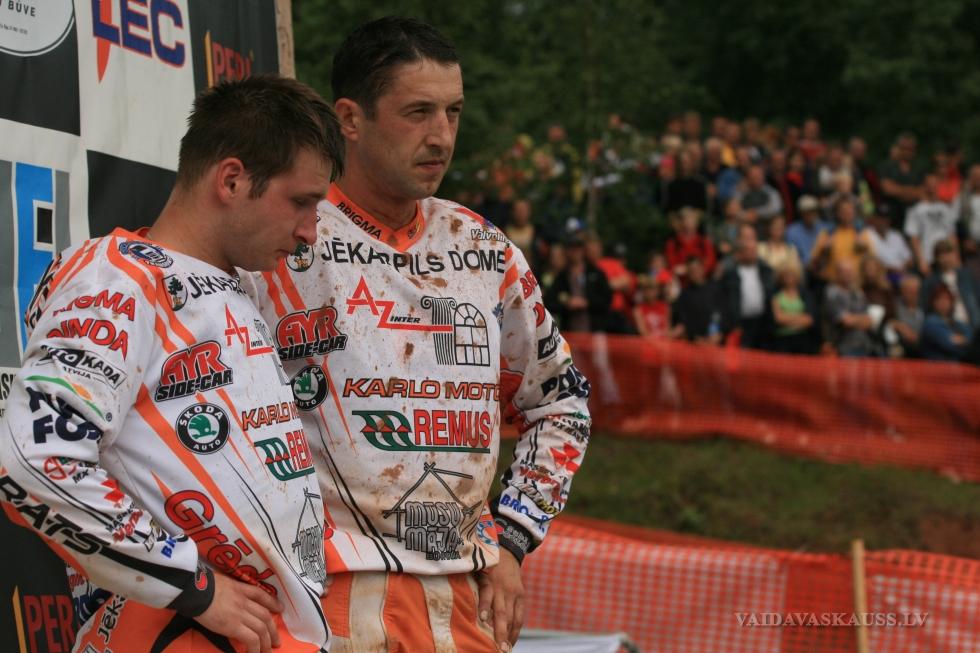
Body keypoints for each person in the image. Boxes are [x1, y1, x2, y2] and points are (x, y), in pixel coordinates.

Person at [244, 18, 591, 653]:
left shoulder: (483, 248)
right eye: (418, 113)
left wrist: (514, 538)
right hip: (322, 588)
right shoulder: (283, 239)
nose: (442, 136)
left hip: (465, 595)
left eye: (453, 112)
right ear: (350, 119)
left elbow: (561, 402)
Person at [0, 76, 344, 652]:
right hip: (171, 632)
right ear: (231, 180)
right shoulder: (119, 278)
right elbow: (32, 458)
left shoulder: (238, 287)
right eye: (301, 202)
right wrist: (192, 585)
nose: (310, 231)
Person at [719, 224, 775, 349]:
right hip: (740, 324)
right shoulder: (729, 271)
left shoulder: (765, 269)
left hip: (761, 323)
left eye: (753, 249)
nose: (752, 252)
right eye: (747, 249)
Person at [920, 239, 980, 331]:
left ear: (955, 255)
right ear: (936, 258)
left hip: (975, 325)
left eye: (949, 254)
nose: (946, 259)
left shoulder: (967, 275)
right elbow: (927, 310)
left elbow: (977, 296)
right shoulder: (930, 283)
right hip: (949, 329)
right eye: (942, 255)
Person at [905, 173, 958, 276]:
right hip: (929, 258)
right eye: (930, 185)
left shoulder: (945, 209)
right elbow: (914, 238)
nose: (933, 188)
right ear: (924, 187)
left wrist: (956, 257)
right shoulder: (915, 210)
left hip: (947, 257)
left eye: (935, 185)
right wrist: (921, 260)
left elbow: (952, 235)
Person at [823, 260, 875, 357]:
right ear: (837, 273)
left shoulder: (858, 293)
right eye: (845, 272)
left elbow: (869, 321)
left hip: (865, 345)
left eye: (851, 272)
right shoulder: (832, 293)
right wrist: (860, 320)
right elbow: (846, 321)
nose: (848, 275)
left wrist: (854, 319)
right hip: (842, 348)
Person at [879, 132, 923, 228]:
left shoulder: (919, 169)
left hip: (913, 219)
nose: (907, 152)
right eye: (904, 148)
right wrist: (911, 192)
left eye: (910, 149)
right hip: (891, 218)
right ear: (899, 148)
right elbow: (887, 189)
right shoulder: (887, 166)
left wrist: (898, 191)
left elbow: (922, 192)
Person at [672, 257, 720, 343]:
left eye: (696, 269)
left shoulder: (715, 289)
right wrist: (694, 337)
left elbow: (721, 312)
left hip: (717, 340)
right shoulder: (684, 295)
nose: (694, 273)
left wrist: (719, 332)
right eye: (691, 270)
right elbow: (683, 320)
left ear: (703, 269)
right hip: (694, 342)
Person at [770, 262, 815, 354]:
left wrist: (787, 317)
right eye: (786, 275)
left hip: (802, 340)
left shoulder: (805, 294)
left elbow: (809, 319)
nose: (789, 278)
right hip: (782, 340)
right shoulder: (775, 295)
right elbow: (778, 318)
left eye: (791, 275)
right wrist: (799, 317)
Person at [920, 284, 971, 362]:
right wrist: (964, 341)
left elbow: (972, 339)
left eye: (947, 298)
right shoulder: (930, 323)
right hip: (937, 366)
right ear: (933, 302)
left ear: (952, 302)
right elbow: (950, 345)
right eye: (939, 298)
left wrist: (961, 340)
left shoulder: (957, 323)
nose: (943, 302)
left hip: (958, 364)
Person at [866, 204, 913, 281]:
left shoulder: (896, 235)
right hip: (882, 274)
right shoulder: (867, 235)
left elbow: (909, 260)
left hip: (902, 273)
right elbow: (870, 262)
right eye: (880, 218)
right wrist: (892, 269)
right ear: (874, 219)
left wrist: (902, 268)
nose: (883, 221)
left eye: (886, 218)